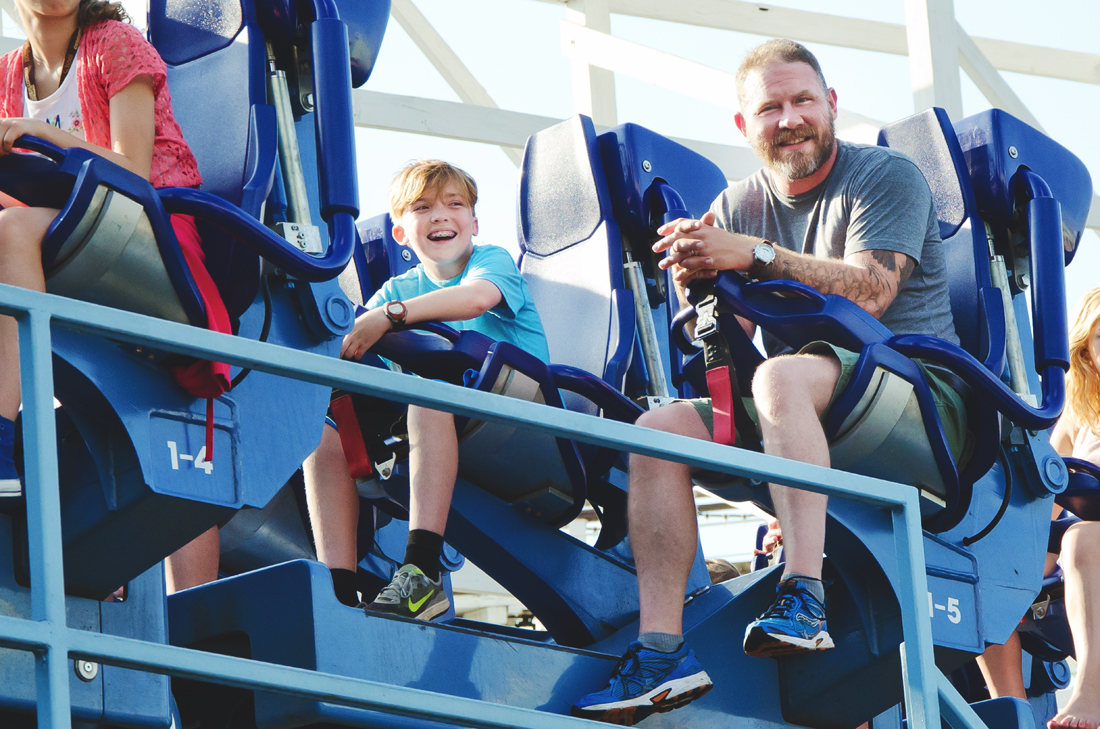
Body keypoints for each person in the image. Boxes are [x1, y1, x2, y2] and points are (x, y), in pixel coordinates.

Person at [573, 38, 970, 725]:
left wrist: (754, 256)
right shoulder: (736, 204)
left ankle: (804, 593)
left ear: (831, 105)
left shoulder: (886, 176)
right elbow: (736, 359)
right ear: (743, 126)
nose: (789, 118)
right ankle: (662, 652)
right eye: (771, 108)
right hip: (808, 399)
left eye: (803, 101)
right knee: (656, 429)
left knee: (783, 378)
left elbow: (871, 292)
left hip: (921, 397)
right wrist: (702, 287)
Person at [0, 0, 226, 591]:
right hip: (67, 234)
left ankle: (2, 433)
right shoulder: (8, 76)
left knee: (13, 231)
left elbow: (134, 167)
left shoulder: (114, 44)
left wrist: (43, 135)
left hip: (153, 227)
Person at [303, 159, 549, 620]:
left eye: (454, 204)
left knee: (430, 396)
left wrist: (387, 316)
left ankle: (421, 573)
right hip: (449, 423)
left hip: (524, 418)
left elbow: (476, 299)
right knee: (327, 429)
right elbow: (350, 343)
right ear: (401, 233)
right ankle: (337, 589)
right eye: (422, 207)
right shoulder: (401, 287)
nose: (440, 215)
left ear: (474, 223)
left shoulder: (489, 260)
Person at [977, 287, 1100, 729]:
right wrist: (1022, 561)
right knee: (991, 565)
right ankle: (1013, 709)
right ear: (1087, 352)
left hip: (1090, 542)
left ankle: (1090, 691)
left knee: (1085, 536)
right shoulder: (1080, 418)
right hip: (1072, 555)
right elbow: (1044, 491)